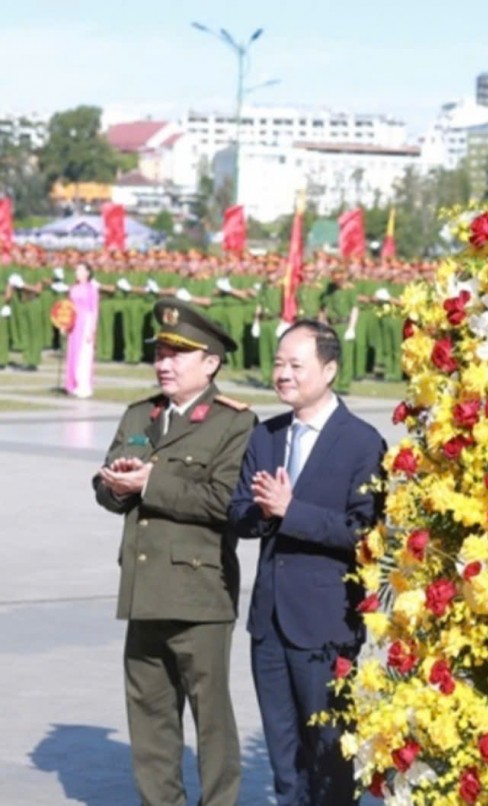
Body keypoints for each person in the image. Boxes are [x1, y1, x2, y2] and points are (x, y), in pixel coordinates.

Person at [93, 300, 255, 806]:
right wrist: (116, 486)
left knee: (212, 722)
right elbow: (107, 488)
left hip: (199, 594)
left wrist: (151, 481)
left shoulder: (234, 423)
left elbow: (223, 501)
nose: (164, 363)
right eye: (160, 353)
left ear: (210, 363)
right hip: (143, 591)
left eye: (178, 354)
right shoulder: (141, 414)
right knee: (150, 719)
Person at [228, 320, 385, 805]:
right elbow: (238, 511)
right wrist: (263, 512)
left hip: (325, 625)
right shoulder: (268, 436)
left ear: (329, 369)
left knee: (329, 753)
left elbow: (365, 534)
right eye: (278, 363)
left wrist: (290, 511)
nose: (283, 374)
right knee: (284, 757)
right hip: (270, 623)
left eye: (296, 365)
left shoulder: (361, 441)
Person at [64, 263, 100, 398]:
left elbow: (94, 309)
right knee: (73, 353)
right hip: (74, 323)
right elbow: (68, 307)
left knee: (84, 354)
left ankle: (83, 385)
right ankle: (72, 384)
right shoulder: (73, 288)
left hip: (86, 322)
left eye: (80, 270)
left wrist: (92, 329)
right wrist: (65, 323)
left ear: (87, 272)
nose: (77, 272)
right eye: (76, 269)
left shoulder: (92, 289)